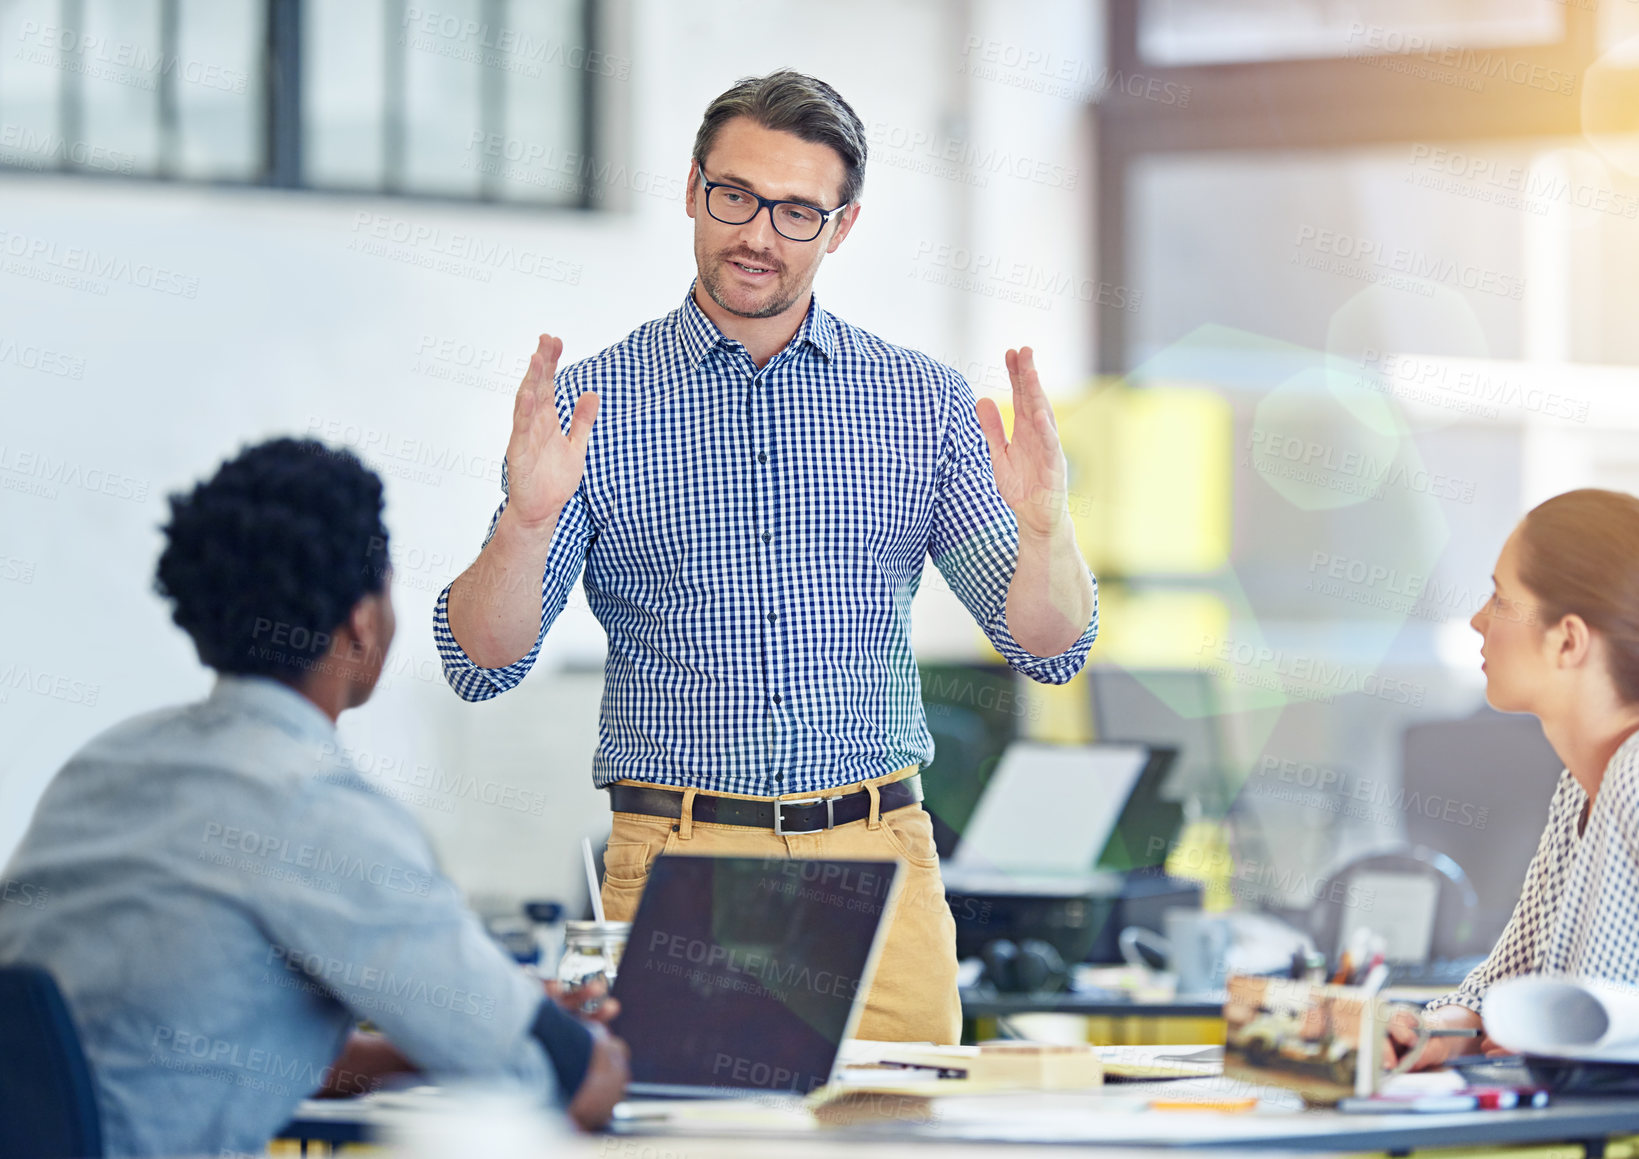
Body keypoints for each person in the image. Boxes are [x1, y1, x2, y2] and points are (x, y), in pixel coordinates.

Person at [436, 69, 1099, 1045]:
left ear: (843, 226)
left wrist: (1046, 530)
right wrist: (525, 524)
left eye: (797, 211)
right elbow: (479, 665)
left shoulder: (920, 403)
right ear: (695, 186)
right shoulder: (593, 406)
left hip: (880, 858)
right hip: (679, 860)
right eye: (735, 196)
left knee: (906, 1137)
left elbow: (1048, 646)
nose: (757, 234)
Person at [0, 439, 628, 1157]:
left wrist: (441, 1036)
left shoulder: (105, 765)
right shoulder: (316, 809)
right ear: (362, 622)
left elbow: (181, 1060)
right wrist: (560, 1037)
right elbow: (579, 1081)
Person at [1390, 488, 1639, 1070]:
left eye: (1499, 598)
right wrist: (1440, 1027)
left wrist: (1566, 1035)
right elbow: (1512, 975)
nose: (1477, 619)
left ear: (1567, 640)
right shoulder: (1583, 785)